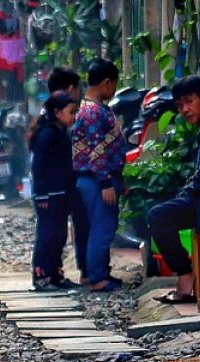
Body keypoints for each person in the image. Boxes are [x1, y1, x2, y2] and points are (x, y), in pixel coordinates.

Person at [147, 75, 200, 303]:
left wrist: (188, 192)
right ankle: (186, 274)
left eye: (188, 102)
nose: (184, 110)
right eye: (180, 105)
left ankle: (186, 275)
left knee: (158, 216)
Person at [72, 59, 127, 292]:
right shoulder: (94, 111)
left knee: (95, 226)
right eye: (114, 84)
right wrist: (106, 181)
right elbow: (97, 150)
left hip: (95, 177)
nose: (113, 90)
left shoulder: (86, 108)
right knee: (102, 227)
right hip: (97, 179)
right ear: (107, 83)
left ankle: (95, 273)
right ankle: (97, 277)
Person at [28, 91, 78, 290]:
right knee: (47, 234)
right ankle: (41, 275)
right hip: (48, 195)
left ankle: (55, 272)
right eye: (71, 112)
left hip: (61, 194)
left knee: (59, 235)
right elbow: (38, 167)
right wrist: (41, 194)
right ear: (57, 113)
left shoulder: (60, 133)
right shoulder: (47, 135)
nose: (73, 117)